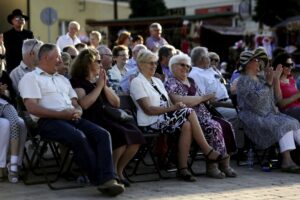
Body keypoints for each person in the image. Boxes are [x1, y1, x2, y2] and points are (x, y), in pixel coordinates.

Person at [18, 43, 124, 196]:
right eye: (58, 56)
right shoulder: (30, 78)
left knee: (103, 134)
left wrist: (78, 111)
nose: (61, 60)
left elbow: (76, 104)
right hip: (47, 121)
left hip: (71, 117)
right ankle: (102, 180)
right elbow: (32, 108)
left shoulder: (62, 79)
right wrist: (63, 115)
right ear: (46, 57)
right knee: (78, 137)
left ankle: (108, 178)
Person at [130, 49, 227, 182]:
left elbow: (168, 102)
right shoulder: (137, 82)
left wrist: (176, 107)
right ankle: (207, 150)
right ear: (140, 64)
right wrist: (174, 108)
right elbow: (148, 110)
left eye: (155, 63)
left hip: (164, 118)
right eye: (150, 63)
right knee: (189, 111)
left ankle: (182, 169)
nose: (154, 66)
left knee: (187, 124)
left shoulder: (156, 81)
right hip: (150, 122)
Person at [70, 48, 145, 187]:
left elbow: (116, 103)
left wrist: (103, 86)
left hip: (107, 116)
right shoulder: (78, 82)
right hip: (91, 119)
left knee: (136, 135)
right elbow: (84, 104)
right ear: (87, 63)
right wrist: (98, 87)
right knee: (120, 136)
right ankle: (112, 172)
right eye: (98, 61)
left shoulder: (100, 81)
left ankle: (119, 170)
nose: (100, 64)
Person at [165, 53, 237, 178]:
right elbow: (179, 100)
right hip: (190, 118)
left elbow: (201, 98)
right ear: (173, 66)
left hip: (205, 114)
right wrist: (202, 98)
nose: (186, 68)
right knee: (214, 127)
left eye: (188, 66)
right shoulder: (171, 82)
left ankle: (225, 164)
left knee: (226, 125)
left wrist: (206, 98)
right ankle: (212, 166)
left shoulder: (191, 81)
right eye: (182, 65)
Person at [236, 50, 300, 173]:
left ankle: (290, 160)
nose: (258, 62)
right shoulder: (243, 81)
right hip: (252, 116)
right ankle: (287, 161)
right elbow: (255, 102)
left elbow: (274, 100)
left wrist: (275, 80)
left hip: (267, 114)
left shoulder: (260, 78)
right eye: (255, 60)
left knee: (293, 123)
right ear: (248, 63)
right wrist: (268, 83)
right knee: (283, 124)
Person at [0, 66, 27, 183]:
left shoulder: (4, 74)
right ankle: (6, 165)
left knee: (20, 123)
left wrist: (4, 92)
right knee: (7, 123)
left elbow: (12, 94)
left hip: (4, 105)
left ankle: (15, 163)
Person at [4, 9, 34, 73]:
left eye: (22, 18)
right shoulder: (7, 35)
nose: (20, 20)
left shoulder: (29, 34)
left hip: (26, 64)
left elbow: (32, 48)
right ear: (12, 21)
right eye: (17, 18)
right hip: (12, 65)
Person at [273, 52, 300, 121]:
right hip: (287, 111)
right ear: (280, 66)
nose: (290, 67)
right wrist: (296, 96)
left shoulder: (291, 79)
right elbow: (280, 104)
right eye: (288, 65)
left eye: (291, 64)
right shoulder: (276, 81)